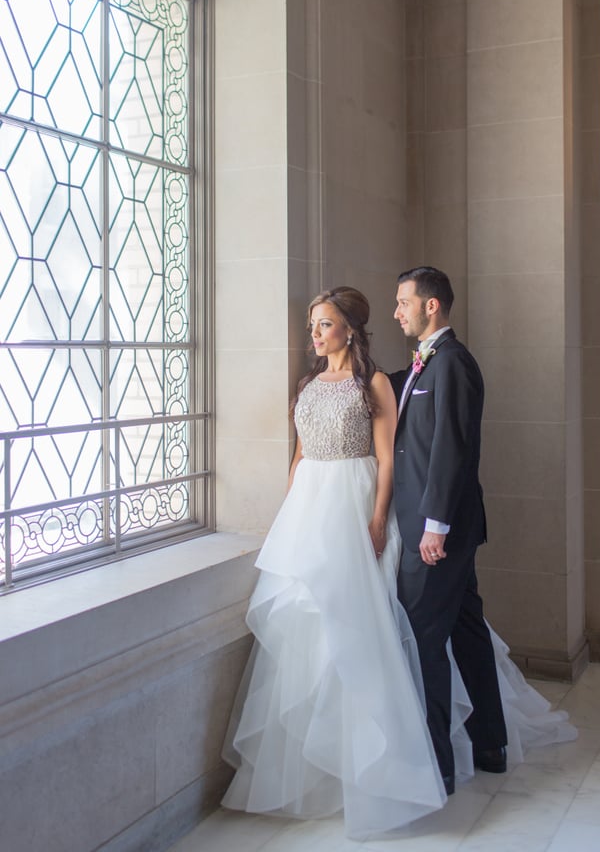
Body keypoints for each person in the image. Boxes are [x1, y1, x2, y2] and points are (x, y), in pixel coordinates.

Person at [222, 284, 576, 841]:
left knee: (395, 628)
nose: (314, 334)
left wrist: (381, 518)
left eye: (325, 324)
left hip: (363, 508)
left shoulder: (384, 381)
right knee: (325, 627)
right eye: (312, 324)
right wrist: (288, 516)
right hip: (311, 514)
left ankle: (439, 752)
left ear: (349, 329)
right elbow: (297, 456)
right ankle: (450, 745)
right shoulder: (309, 384)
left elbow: (395, 457)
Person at [391, 265, 507, 793]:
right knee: (466, 630)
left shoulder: (454, 363)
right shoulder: (424, 363)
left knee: (423, 639)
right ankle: (490, 744)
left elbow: (450, 451)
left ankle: (436, 765)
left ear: (430, 305)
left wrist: (433, 527)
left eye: (403, 302)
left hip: (437, 532)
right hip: (438, 527)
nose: (398, 312)